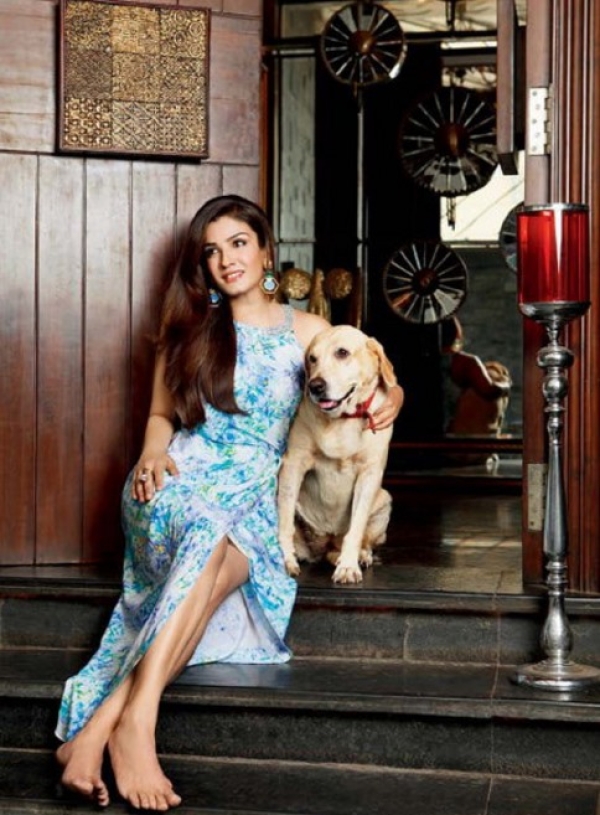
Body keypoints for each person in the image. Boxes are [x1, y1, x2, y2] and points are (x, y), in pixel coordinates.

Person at [54, 194, 403, 811]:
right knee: (207, 538)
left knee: (216, 554)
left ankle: (104, 724)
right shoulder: (188, 330)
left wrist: (394, 396)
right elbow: (161, 416)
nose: (226, 260)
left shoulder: (308, 332)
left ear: (266, 251)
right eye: (211, 251)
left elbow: (365, 371)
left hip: (258, 498)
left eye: (239, 243)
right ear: (202, 265)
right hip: (180, 478)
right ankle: (135, 725)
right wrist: (151, 453)